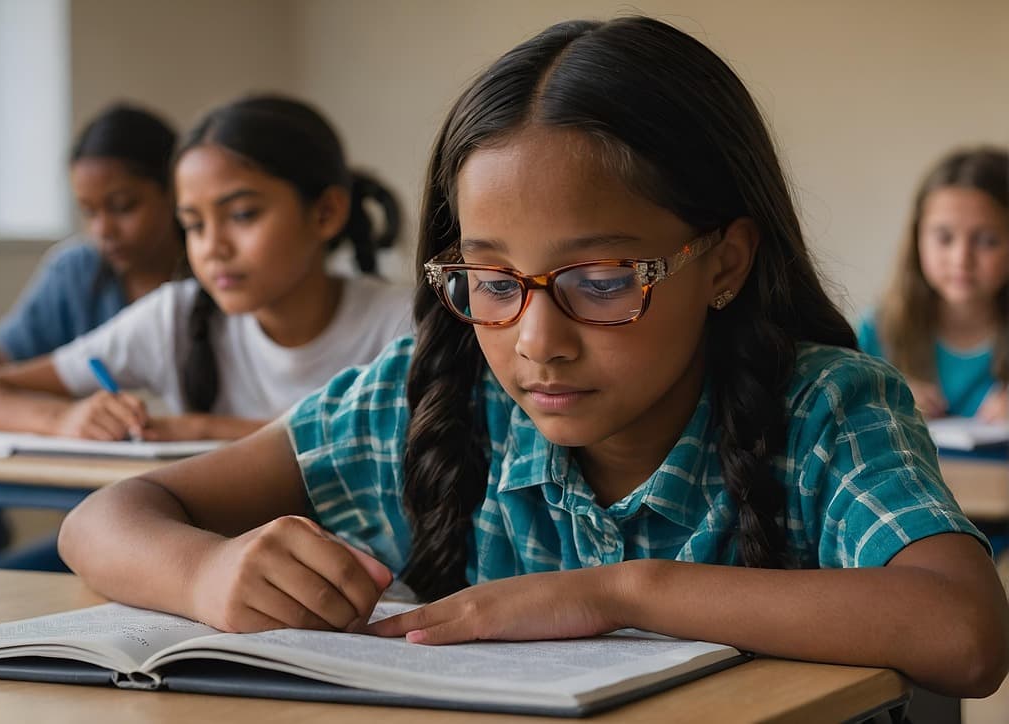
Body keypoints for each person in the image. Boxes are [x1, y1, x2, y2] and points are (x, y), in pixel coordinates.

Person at [57, 18, 1009, 698]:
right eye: (493, 281)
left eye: (600, 280)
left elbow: (964, 633)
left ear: (724, 261)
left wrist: (616, 594)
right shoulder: (432, 399)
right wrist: (205, 577)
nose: (536, 340)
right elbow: (108, 519)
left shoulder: (826, 408)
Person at [0, 95, 411, 443]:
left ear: (325, 213)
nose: (213, 247)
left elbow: (402, 447)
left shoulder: (400, 324)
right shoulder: (175, 317)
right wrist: (65, 420)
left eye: (242, 215)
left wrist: (206, 429)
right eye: (194, 224)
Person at [0, 104, 185, 362]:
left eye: (122, 207)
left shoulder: (214, 275)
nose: (103, 230)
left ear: (174, 191)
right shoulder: (74, 272)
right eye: (89, 212)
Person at [859, 147, 1009, 421]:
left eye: (987, 240)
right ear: (918, 239)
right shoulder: (878, 333)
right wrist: (886, 401)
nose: (961, 258)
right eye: (944, 238)